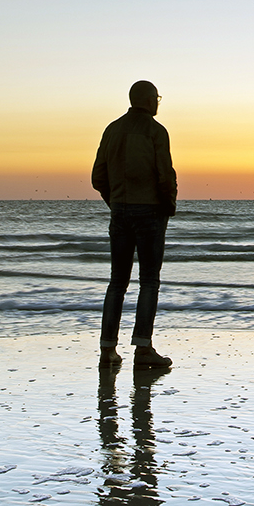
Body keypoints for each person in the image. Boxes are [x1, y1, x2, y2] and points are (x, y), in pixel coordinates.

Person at [92, 80, 177, 370]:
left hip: (120, 212)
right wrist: (168, 206)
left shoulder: (112, 130)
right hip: (150, 212)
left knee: (118, 282)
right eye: (157, 98)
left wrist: (115, 202)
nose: (158, 103)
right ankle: (143, 348)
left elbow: (98, 178)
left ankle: (108, 350)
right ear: (149, 100)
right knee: (149, 281)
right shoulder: (156, 132)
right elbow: (165, 173)